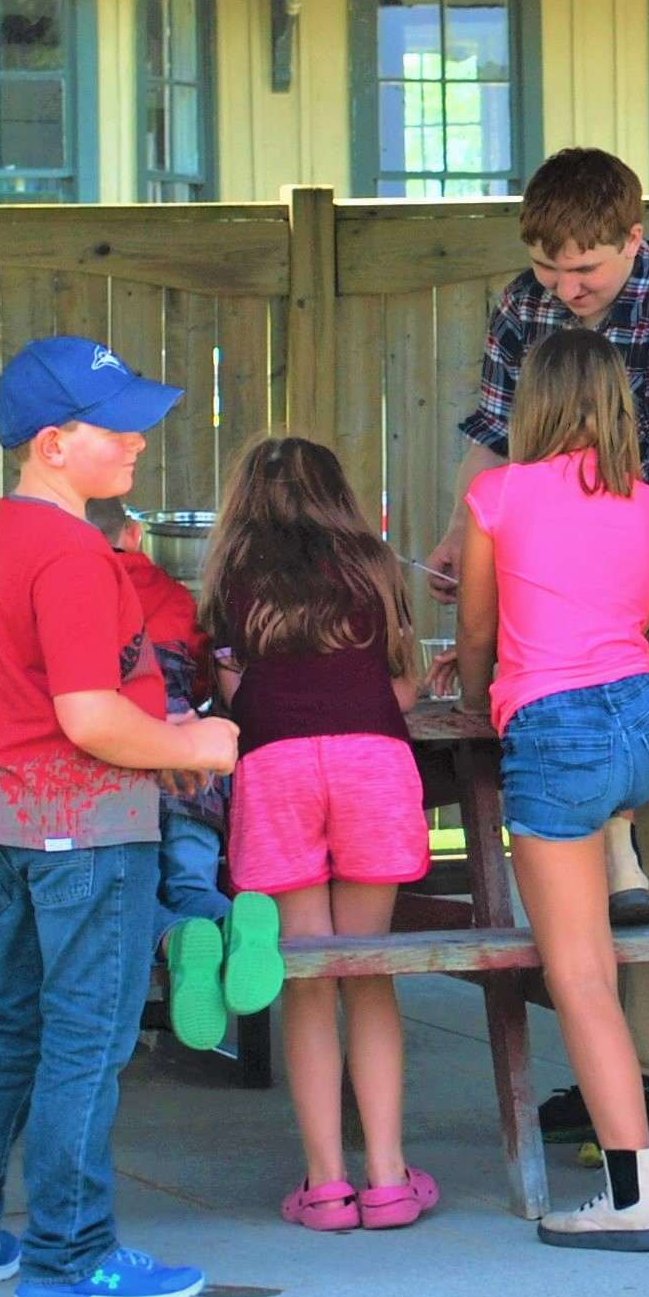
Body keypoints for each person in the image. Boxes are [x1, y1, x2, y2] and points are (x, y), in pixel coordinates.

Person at [0, 338, 236, 1297]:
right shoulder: (76, 552)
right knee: (86, 1043)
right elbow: (89, 720)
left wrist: (154, 725)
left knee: (14, 1028)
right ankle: (70, 1257)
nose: (138, 440)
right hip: (84, 830)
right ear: (54, 442)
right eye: (116, 425)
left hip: (11, 818)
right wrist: (198, 746)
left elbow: (59, 697)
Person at [426, 147, 649, 1153]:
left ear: (632, 239)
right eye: (550, 269)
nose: (564, 289)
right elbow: (493, 435)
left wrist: (547, 552)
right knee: (589, 872)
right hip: (555, 622)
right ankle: (612, 1083)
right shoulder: (523, 305)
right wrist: (466, 535)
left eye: (584, 270)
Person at [458, 329, 649, 1252]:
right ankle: (621, 848)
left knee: (581, 976)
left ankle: (635, 1200)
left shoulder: (497, 494)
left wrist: (479, 695)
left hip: (557, 733)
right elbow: (637, 613)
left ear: (534, 403)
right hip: (646, 724)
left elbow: (478, 630)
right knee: (610, 815)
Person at [203, 433, 436, 1234]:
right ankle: (389, 1179)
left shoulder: (234, 575)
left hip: (277, 771)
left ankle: (327, 1186)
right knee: (367, 970)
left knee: (305, 975)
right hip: (373, 762)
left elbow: (235, 695)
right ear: (336, 493)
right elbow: (395, 687)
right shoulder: (373, 566)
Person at [78, 498, 270, 1055]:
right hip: (192, 763)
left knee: (116, 896)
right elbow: (206, 679)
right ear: (135, 534)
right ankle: (230, 919)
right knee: (191, 882)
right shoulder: (173, 595)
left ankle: (176, 938)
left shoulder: (78, 589)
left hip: (117, 769)